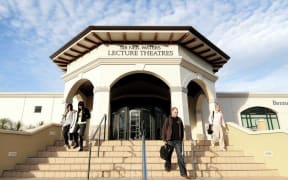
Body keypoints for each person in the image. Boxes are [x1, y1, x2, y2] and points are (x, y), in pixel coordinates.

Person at [162, 107, 189, 179]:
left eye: (177, 112)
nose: (176, 113)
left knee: (180, 156)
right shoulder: (168, 119)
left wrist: (181, 138)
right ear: (172, 112)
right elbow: (164, 129)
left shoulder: (179, 120)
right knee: (168, 154)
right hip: (170, 140)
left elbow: (182, 130)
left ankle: (183, 173)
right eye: (175, 112)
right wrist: (164, 139)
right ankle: (167, 166)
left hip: (178, 141)